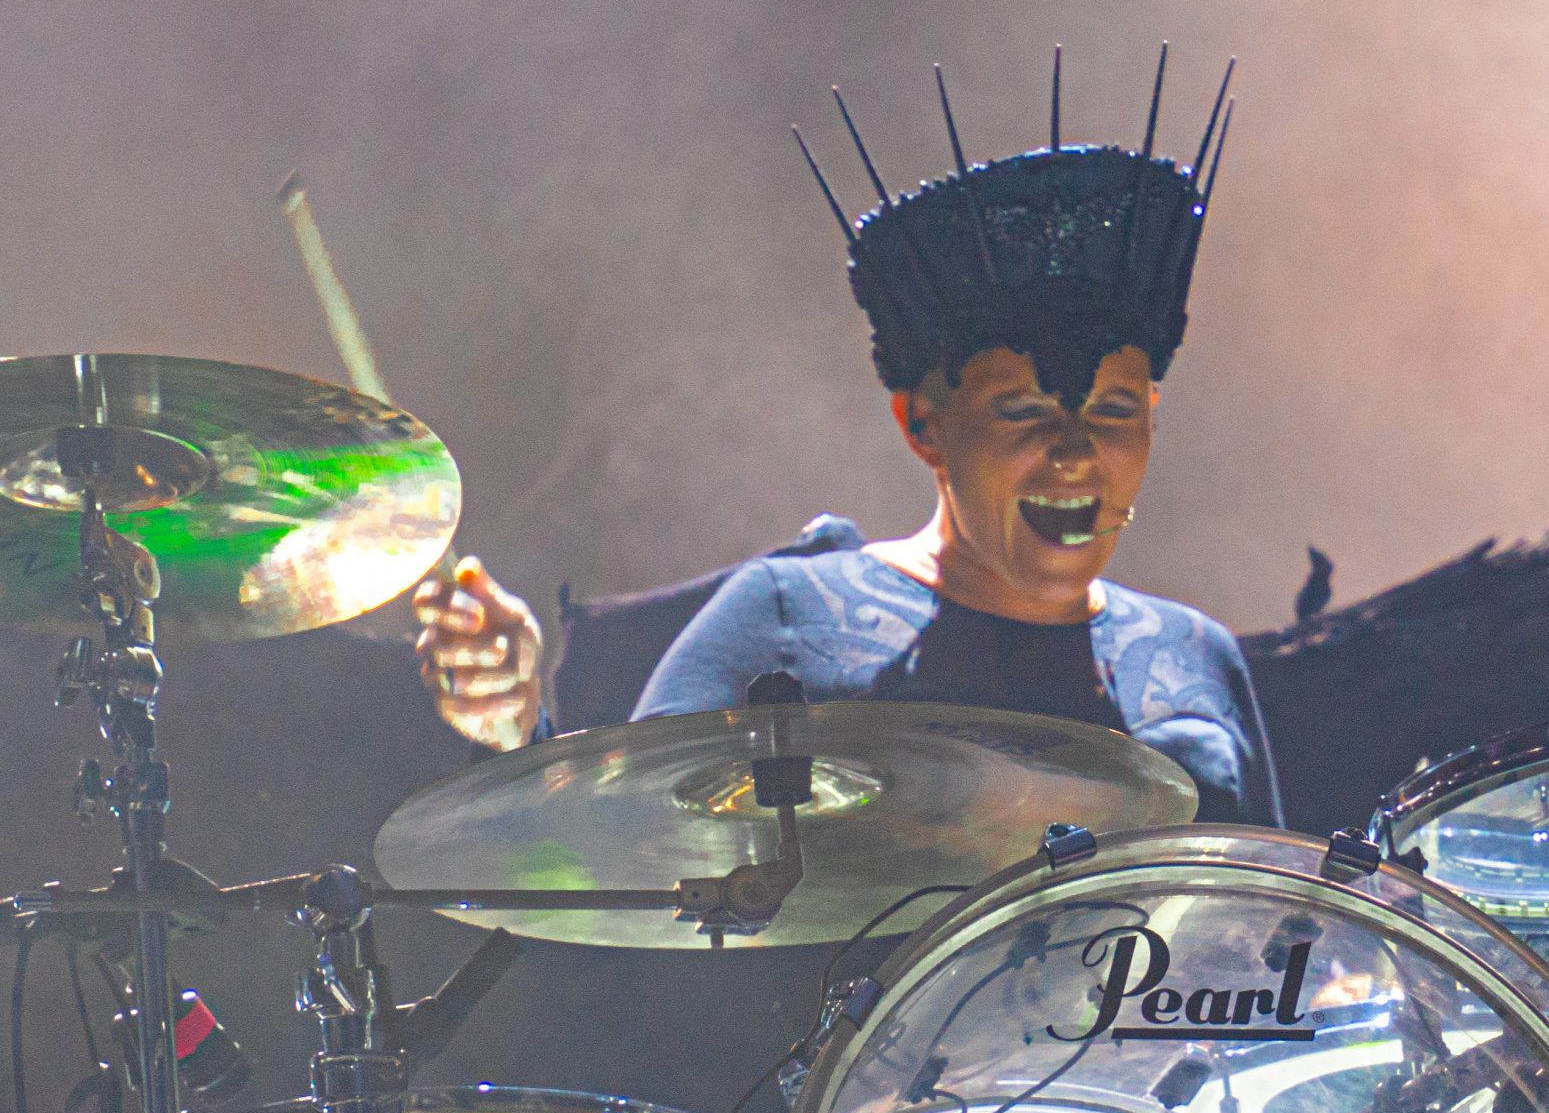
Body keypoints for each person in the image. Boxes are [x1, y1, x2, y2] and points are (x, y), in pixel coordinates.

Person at [415, 56, 1282, 826]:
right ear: (923, 426)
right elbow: (617, 858)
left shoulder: (1197, 653)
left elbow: (1283, 931)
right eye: (1022, 412)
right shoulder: (787, 617)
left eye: (1114, 411)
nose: (1074, 452)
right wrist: (515, 728)